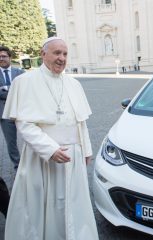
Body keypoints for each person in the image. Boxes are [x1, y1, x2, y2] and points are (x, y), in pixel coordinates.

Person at [3, 37, 99, 240]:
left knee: (74, 203)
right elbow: (24, 124)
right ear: (43, 53)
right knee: (42, 206)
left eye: (65, 54)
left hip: (72, 154)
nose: (61, 58)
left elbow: (81, 122)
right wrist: (50, 149)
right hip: (42, 157)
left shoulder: (74, 84)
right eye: (57, 53)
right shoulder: (24, 82)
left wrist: (86, 150)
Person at [0, 46, 25, 169]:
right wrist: (12, 91)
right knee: (11, 143)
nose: (1, 58)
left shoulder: (20, 73)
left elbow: (25, 91)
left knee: (30, 137)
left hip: (22, 112)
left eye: (4, 56)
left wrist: (5, 89)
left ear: (10, 57)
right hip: (5, 114)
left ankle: (32, 163)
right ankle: (18, 166)